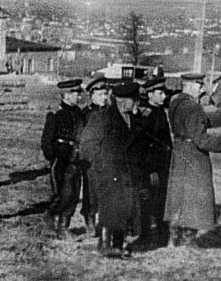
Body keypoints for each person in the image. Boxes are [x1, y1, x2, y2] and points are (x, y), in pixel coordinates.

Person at [163, 72, 221, 247]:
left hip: (180, 153)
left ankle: (176, 237)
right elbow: (201, 138)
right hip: (194, 157)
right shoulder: (193, 107)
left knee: (180, 197)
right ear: (191, 86)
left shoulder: (176, 103)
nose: (202, 89)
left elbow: (192, 125)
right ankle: (189, 240)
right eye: (200, 86)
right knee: (197, 197)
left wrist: (215, 116)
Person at [83, 80, 145, 258]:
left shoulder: (133, 118)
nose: (137, 104)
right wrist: (103, 168)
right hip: (109, 174)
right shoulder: (102, 118)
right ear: (125, 101)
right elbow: (87, 147)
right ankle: (105, 245)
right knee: (110, 209)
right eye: (136, 100)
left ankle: (118, 244)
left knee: (124, 208)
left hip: (128, 174)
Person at [40, 77, 86, 239]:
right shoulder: (56, 114)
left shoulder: (79, 113)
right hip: (61, 160)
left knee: (73, 194)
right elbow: (47, 139)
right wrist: (53, 157)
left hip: (76, 159)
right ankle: (50, 216)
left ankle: (63, 227)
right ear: (66, 95)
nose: (79, 97)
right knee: (62, 193)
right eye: (75, 94)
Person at [135, 76, 173, 249]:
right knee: (147, 202)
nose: (163, 96)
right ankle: (144, 237)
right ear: (150, 95)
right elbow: (143, 146)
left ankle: (162, 237)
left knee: (161, 202)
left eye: (164, 92)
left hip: (163, 166)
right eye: (160, 92)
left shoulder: (160, 112)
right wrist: (150, 171)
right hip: (151, 169)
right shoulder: (147, 115)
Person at [80, 73, 109, 235]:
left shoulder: (111, 113)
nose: (103, 98)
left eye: (105, 94)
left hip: (108, 159)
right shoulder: (85, 114)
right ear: (91, 96)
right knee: (90, 191)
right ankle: (89, 218)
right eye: (99, 94)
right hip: (91, 160)